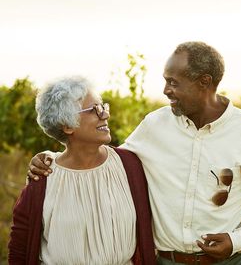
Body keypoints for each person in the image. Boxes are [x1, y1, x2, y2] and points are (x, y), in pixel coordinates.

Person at [28, 41, 241, 264]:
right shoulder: (154, 125)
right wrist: (50, 158)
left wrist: (237, 239)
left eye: (173, 82)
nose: (165, 91)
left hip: (233, 261)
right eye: (165, 81)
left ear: (204, 83)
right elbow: (104, 158)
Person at [9, 76, 156, 264]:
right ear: (68, 126)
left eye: (103, 106)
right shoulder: (43, 177)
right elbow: (19, 248)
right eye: (94, 110)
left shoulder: (129, 165)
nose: (105, 114)